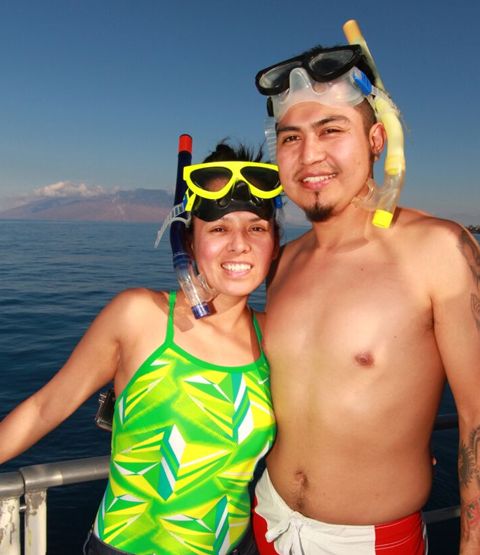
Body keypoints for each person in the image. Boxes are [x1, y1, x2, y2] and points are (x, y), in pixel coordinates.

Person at [251, 41, 480, 554]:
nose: (310, 156)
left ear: (375, 139)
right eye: (291, 138)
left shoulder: (439, 248)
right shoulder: (282, 261)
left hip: (371, 541)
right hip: (267, 520)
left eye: (331, 130)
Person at [0, 141, 283, 555]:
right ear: (189, 242)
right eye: (219, 229)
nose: (239, 244)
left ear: (275, 242)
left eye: (256, 227)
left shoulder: (275, 338)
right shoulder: (141, 316)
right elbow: (46, 407)